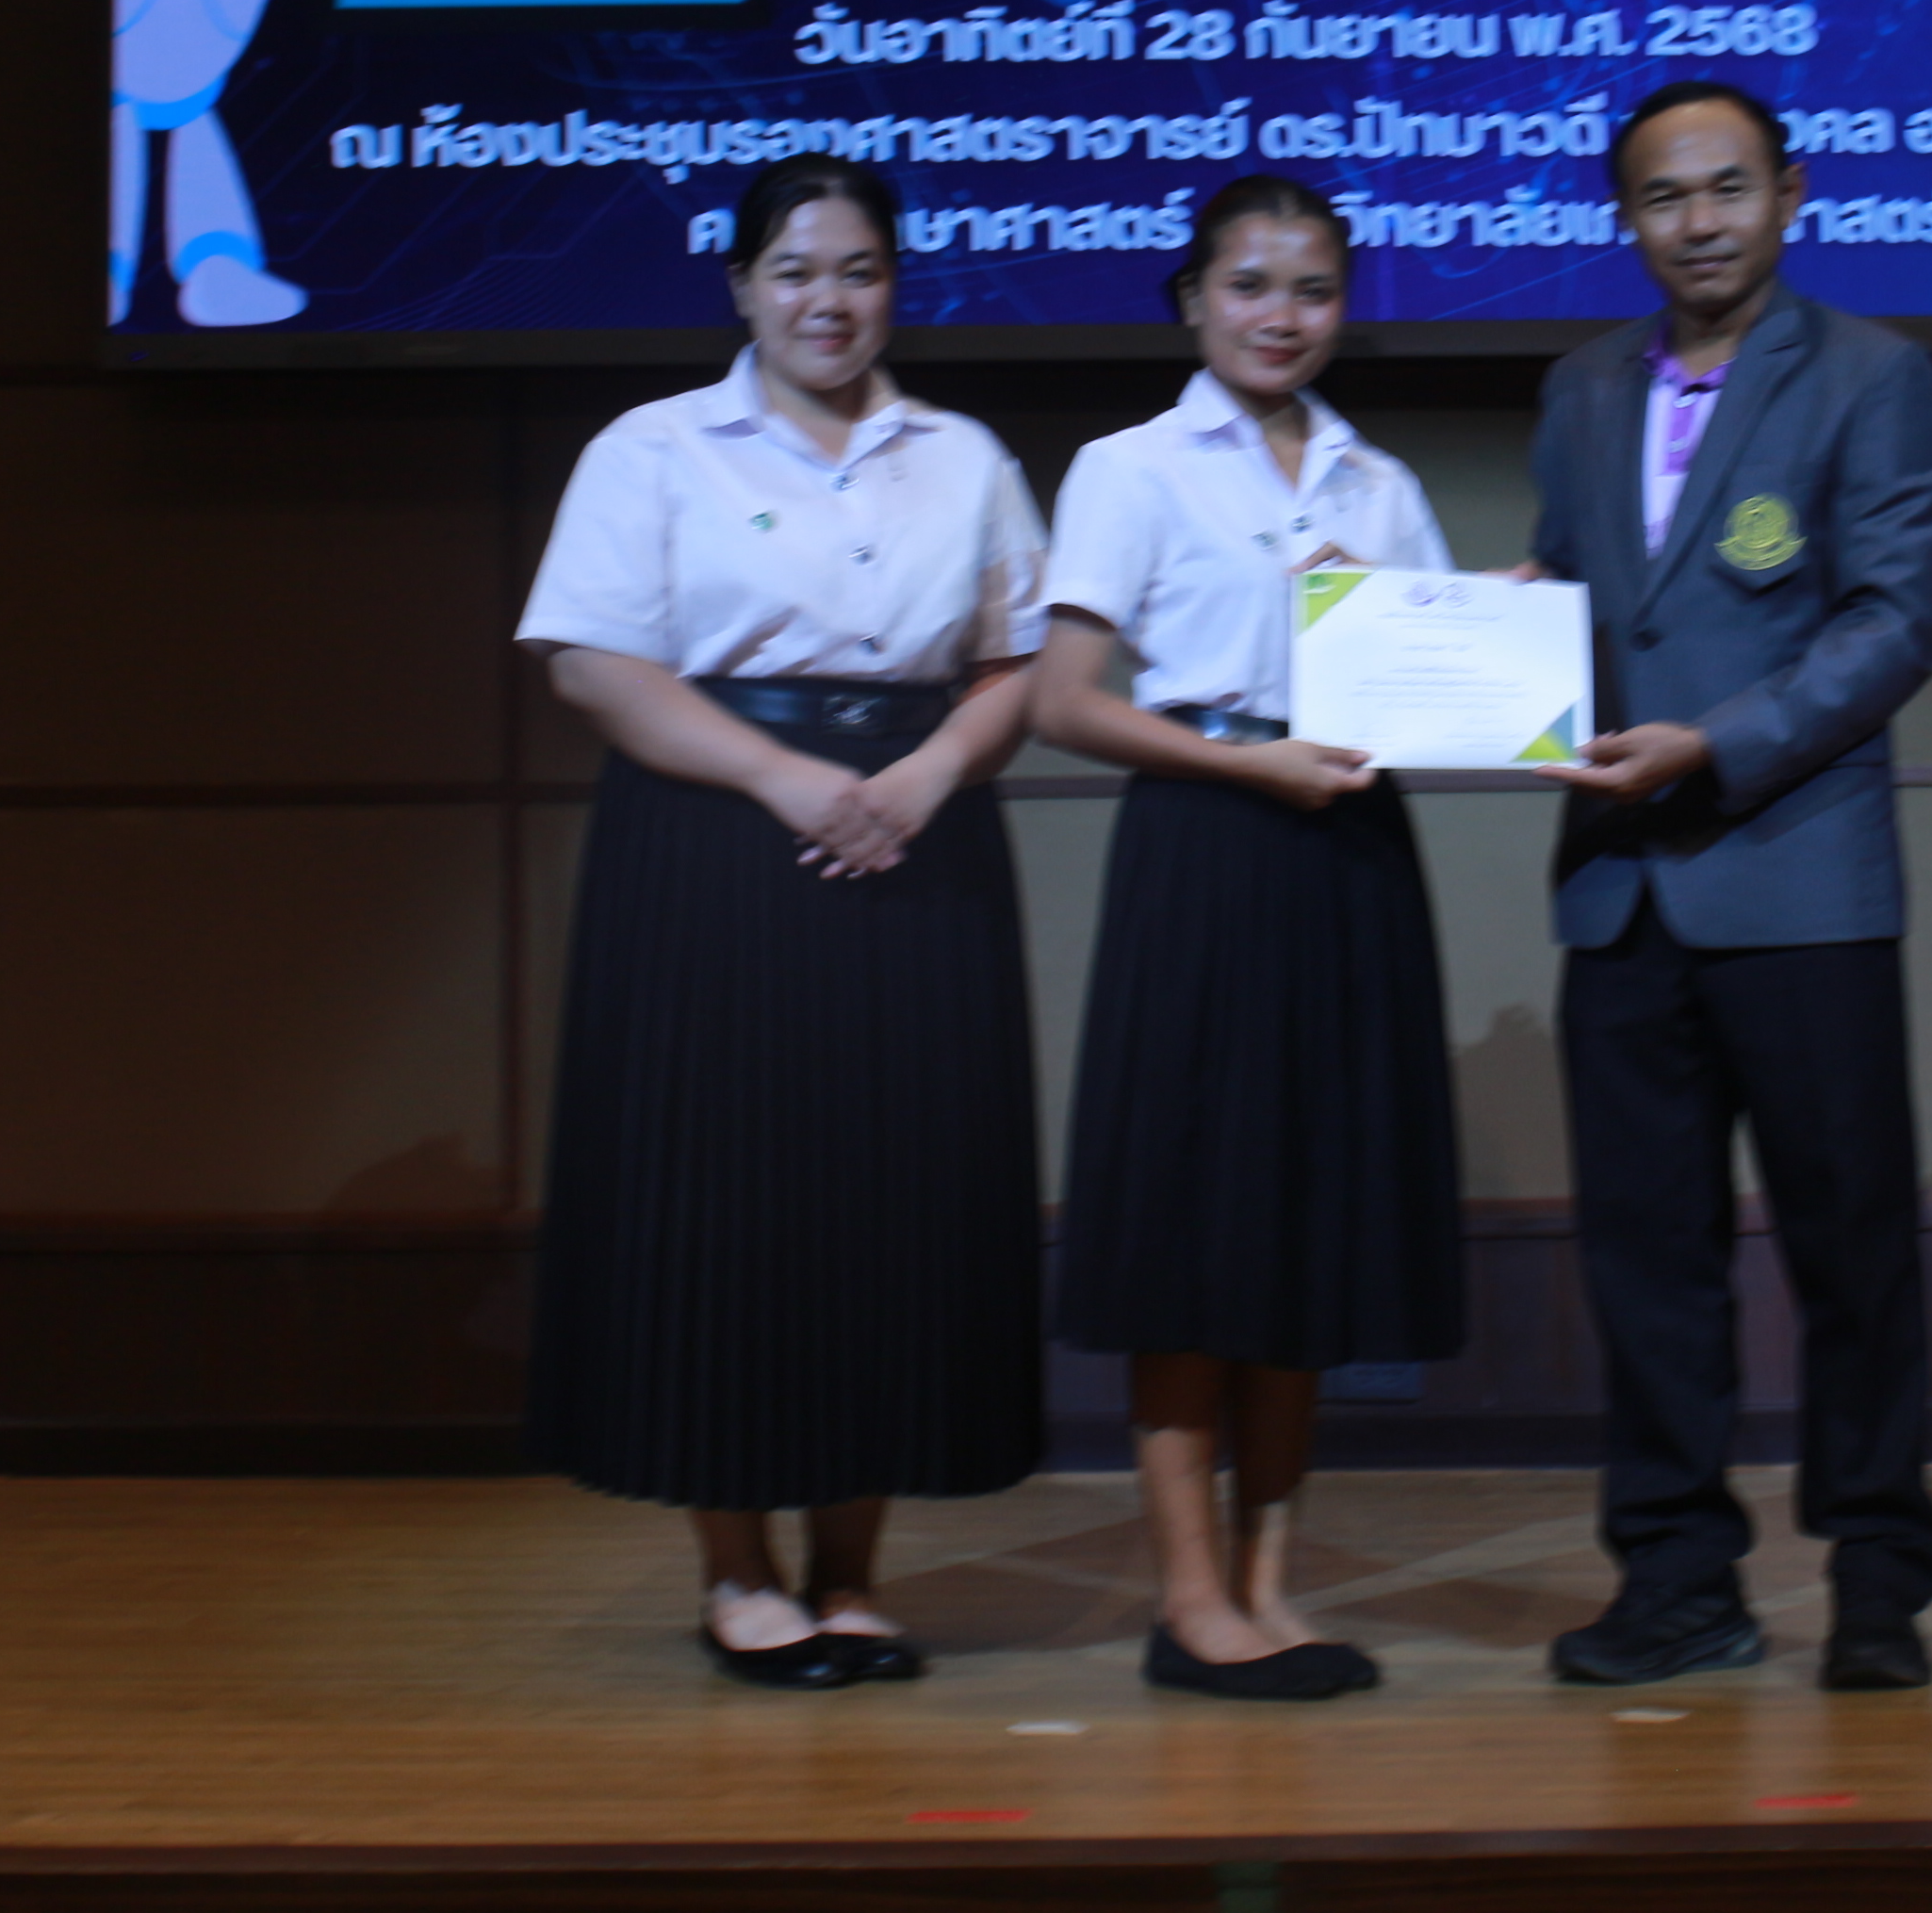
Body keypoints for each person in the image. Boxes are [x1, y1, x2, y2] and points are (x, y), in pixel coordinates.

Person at [515, 154, 1050, 1689]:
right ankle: (740, 1574)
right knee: (726, 1201)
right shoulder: (654, 447)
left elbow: (1015, 658)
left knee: (895, 1200)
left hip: (920, 837)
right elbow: (594, 665)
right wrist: (783, 778)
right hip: (716, 844)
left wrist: (931, 770)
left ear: (895, 287)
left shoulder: (964, 455)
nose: (830, 300)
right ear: (742, 285)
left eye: (860, 270)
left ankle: (853, 1571)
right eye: (798, 270)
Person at [1522, 79, 1932, 1693]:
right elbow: (1584, 604)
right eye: (1663, 197)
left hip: (1799, 883)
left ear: (1791, 192)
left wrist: (1715, 745)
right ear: (1624, 218)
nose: (1697, 222)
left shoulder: (1874, 376)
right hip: (1620, 897)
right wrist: (1491, 640)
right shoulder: (1580, 388)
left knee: (1852, 1250)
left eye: (1726, 189)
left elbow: (1893, 622)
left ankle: (1878, 1574)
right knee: (1647, 1263)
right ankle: (1677, 1578)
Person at [1034, 176, 1467, 1705]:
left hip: (1349, 853)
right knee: (1193, 1233)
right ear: (1191, 299)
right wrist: (1248, 763)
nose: (1283, 316)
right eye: (1251, 285)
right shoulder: (1130, 469)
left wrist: (1496, 639)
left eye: (1313, 290)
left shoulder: (1378, 481)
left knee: (1308, 1228)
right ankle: (1189, 1599)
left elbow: (1429, 692)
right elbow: (1063, 702)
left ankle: (1273, 1591)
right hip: (1205, 848)